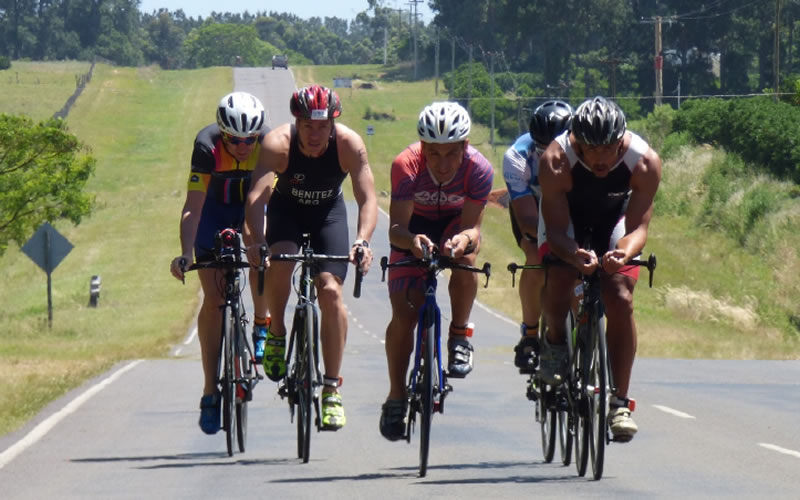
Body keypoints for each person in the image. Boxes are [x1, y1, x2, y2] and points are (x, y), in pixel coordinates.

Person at [244, 84, 377, 431]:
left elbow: (367, 198)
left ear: (333, 124)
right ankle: (276, 330)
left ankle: (331, 389)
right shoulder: (276, 144)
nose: (315, 135)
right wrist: (258, 241)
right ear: (297, 123)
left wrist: (362, 241)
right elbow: (257, 196)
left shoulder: (349, 145)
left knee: (330, 291)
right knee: (282, 259)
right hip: (286, 210)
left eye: (322, 126)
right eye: (307, 126)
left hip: (327, 214)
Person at [537, 96, 662, 442]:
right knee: (560, 276)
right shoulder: (556, 160)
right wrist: (573, 254)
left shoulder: (644, 162)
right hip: (568, 224)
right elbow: (556, 232)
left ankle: (620, 403)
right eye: (591, 149)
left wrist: (622, 253)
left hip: (615, 221)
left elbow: (638, 228)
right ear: (576, 142)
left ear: (621, 140)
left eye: (609, 148)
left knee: (620, 296)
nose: (601, 158)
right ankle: (555, 342)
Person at [379, 101, 494, 441]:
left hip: (455, 226)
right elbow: (395, 230)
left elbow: (474, 230)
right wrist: (412, 241)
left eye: (451, 154)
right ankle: (396, 395)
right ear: (423, 148)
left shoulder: (479, 169)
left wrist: (462, 240)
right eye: (434, 154)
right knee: (405, 314)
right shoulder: (405, 165)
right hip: (413, 230)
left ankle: (459, 335)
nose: (443, 165)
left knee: (466, 260)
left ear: (465, 147)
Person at [169, 91, 272, 435]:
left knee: (259, 253)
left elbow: (262, 202)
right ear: (222, 134)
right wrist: (186, 253)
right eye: (234, 140)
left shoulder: (267, 143)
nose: (243, 147)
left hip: (250, 207)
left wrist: (257, 241)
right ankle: (210, 390)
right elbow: (193, 208)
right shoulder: (206, 145)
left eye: (249, 140)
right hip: (212, 214)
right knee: (214, 300)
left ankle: (261, 324)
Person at [502, 100, 573, 374]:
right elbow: (528, 220)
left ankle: (582, 330)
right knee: (536, 259)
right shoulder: (516, 157)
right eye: (542, 148)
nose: (549, 155)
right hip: (533, 209)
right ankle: (530, 334)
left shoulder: (584, 151)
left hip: (568, 206)